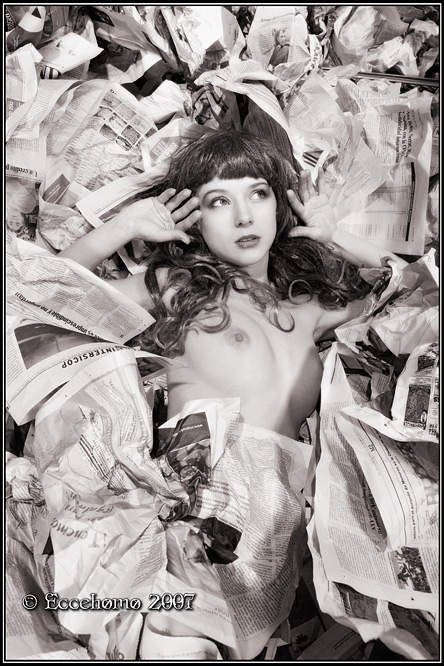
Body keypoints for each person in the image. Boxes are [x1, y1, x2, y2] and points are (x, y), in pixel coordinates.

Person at [59, 129, 407, 441]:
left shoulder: (307, 310)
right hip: (200, 491)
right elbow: (50, 294)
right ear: (197, 221)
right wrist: (122, 227)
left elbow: (413, 292)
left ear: (278, 207)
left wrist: (333, 235)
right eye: (220, 201)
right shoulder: (182, 290)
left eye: (258, 194)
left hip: (292, 492)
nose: (244, 217)